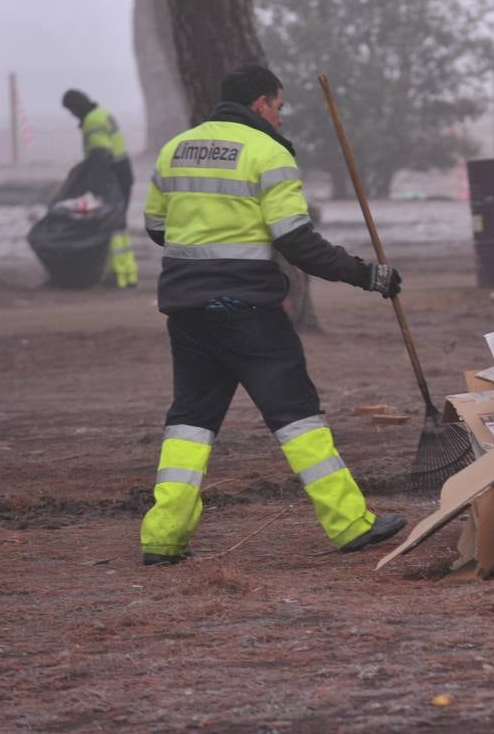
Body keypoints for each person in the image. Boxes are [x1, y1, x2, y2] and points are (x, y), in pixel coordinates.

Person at [137, 64, 406, 566]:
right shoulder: (268, 153)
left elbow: (157, 228)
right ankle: (349, 524)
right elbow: (296, 242)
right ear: (260, 103)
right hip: (248, 311)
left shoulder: (176, 148)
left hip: (189, 312)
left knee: (191, 422)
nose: (281, 119)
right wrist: (367, 275)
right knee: (298, 416)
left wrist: (205, 237)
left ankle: (163, 537)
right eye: (279, 108)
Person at [61, 89, 139, 288]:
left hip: (111, 176)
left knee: (109, 223)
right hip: (122, 172)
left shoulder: (93, 122)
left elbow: (99, 155)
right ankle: (127, 274)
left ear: (76, 106)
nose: (72, 115)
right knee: (119, 224)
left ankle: (116, 274)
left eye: (71, 111)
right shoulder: (101, 113)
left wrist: (96, 185)